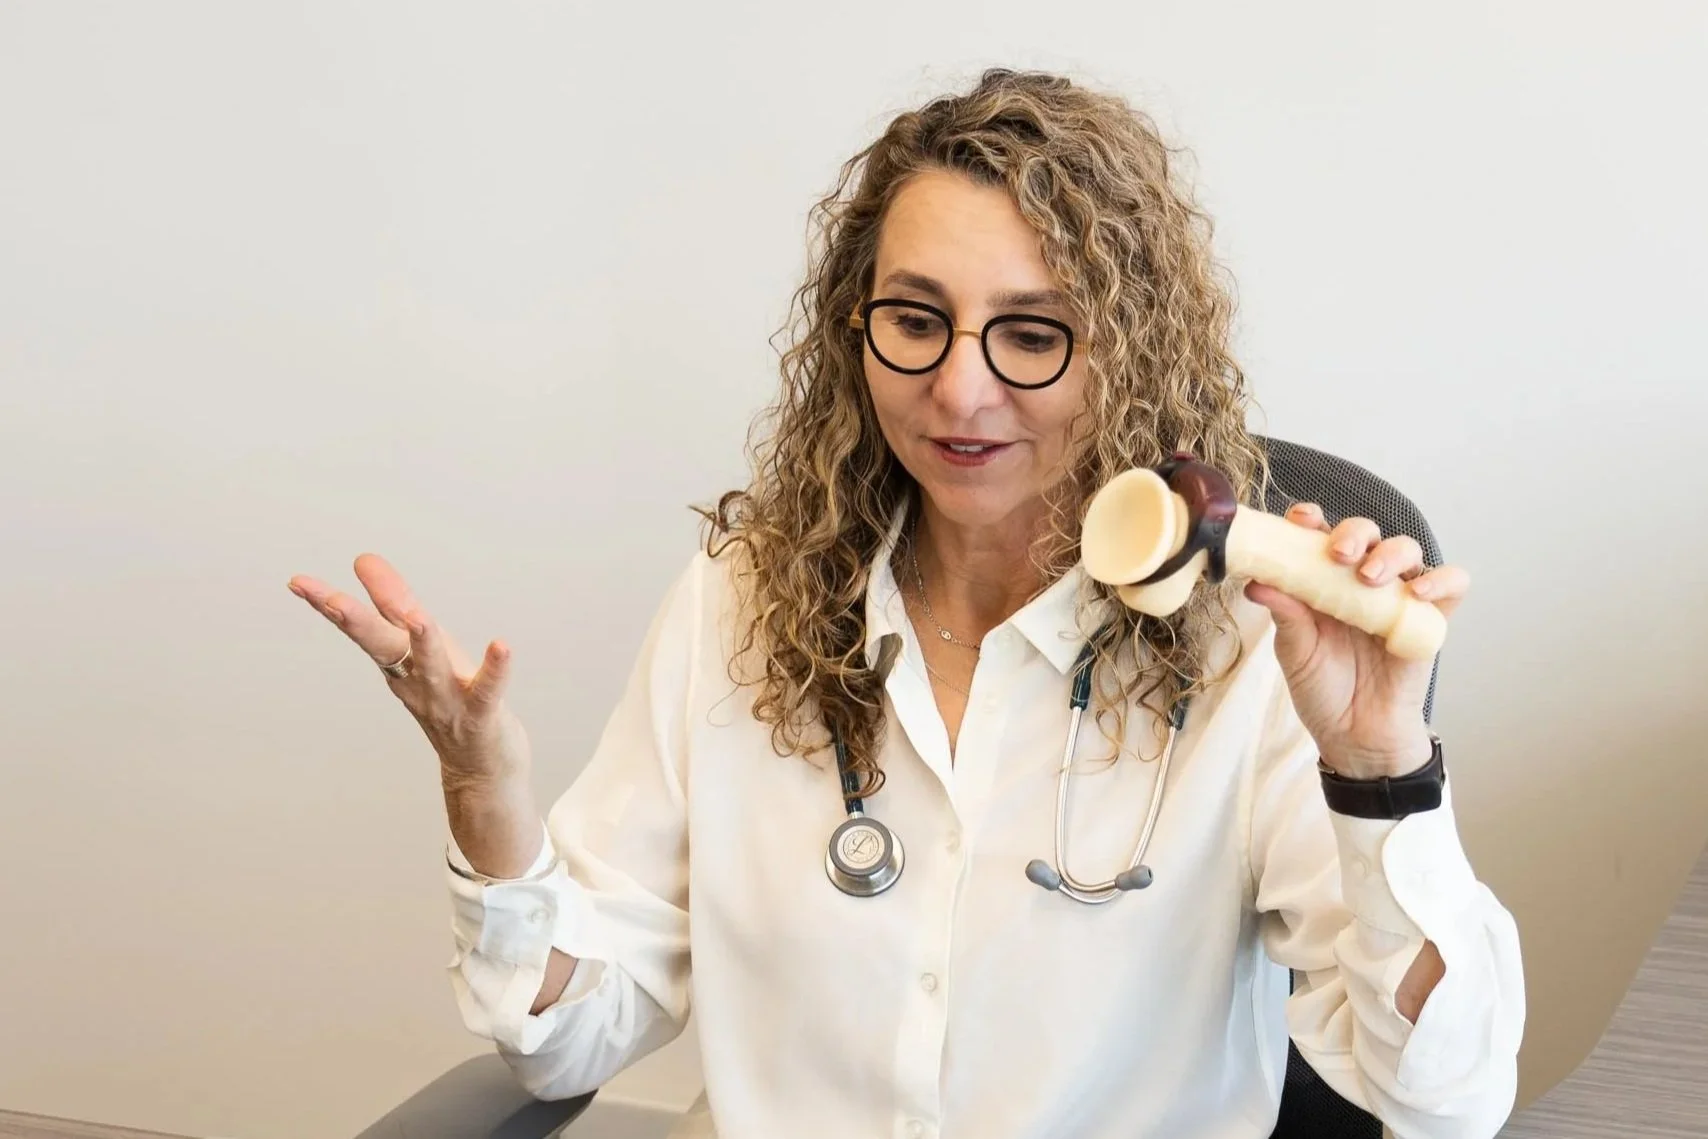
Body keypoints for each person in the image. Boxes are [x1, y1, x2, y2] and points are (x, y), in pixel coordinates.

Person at [290, 69, 1524, 1139]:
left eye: (1031, 334)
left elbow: (1441, 1097)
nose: (958, 389)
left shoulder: (1250, 644)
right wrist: (486, 793)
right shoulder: (742, 599)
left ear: (1128, 350)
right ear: (855, 327)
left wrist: (1379, 770)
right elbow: (562, 1044)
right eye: (916, 321)